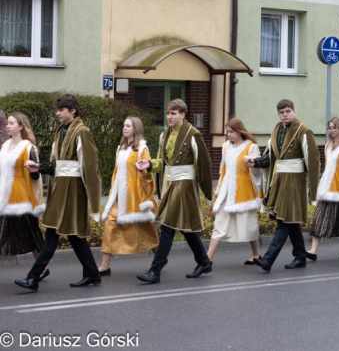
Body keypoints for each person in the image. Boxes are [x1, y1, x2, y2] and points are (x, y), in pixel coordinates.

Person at [16, 95, 102, 291]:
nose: (57, 113)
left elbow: (89, 168)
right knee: (73, 235)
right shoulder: (61, 131)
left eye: (61, 110)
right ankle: (92, 273)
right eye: (58, 109)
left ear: (73, 111)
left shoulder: (82, 132)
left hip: (73, 191)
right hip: (61, 189)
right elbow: (58, 165)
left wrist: (94, 202)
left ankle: (33, 277)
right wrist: (40, 167)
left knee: (54, 234)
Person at [135, 99, 213, 284]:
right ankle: (204, 262)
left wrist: (206, 192)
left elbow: (204, 164)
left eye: (174, 113)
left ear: (183, 115)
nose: (169, 117)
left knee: (168, 225)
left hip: (185, 186)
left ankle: (155, 270)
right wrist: (149, 164)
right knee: (185, 228)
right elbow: (163, 162)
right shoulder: (165, 135)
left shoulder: (193, 134)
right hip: (171, 184)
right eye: (168, 113)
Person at [244, 99, 320, 272]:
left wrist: (311, 189)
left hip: (294, 181)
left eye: (288, 111)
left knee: (284, 220)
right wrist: (254, 161)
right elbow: (270, 157)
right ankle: (300, 256)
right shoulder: (276, 130)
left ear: (293, 111)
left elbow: (313, 162)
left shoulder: (304, 131)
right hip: (278, 180)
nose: (285, 115)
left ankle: (268, 259)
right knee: (290, 220)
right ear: (278, 114)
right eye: (281, 112)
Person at [98, 117, 158, 275]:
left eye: (128, 126)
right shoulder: (121, 148)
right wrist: (113, 192)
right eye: (123, 125)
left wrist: (143, 170)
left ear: (135, 129)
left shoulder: (142, 149)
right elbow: (116, 173)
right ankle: (105, 266)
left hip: (135, 197)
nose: (124, 128)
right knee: (110, 224)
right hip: (119, 195)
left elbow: (147, 174)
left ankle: (159, 260)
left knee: (146, 229)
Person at [209, 118, 262, 265]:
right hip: (227, 190)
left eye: (231, 132)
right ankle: (208, 259)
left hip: (243, 191)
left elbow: (258, 170)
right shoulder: (226, 146)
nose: (229, 135)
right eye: (227, 132)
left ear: (239, 131)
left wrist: (252, 163)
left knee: (248, 224)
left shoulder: (251, 147)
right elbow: (223, 170)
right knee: (219, 222)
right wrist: (219, 189)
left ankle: (256, 254)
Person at [0, 113, 46, 275]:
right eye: (8, 123)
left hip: (21, 198)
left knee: (31, 235)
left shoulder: (28, 148)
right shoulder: (4, 146)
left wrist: (35, 202)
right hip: (4, 196)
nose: (8, 126)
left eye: (12, 123)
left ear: (21, 126)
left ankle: (42, 268)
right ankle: (42, 268)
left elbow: (35, 176)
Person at [307, 117, 339, 260]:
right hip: (326, 187)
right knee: (318, 217)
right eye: (329, 128)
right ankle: (313, 250)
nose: (331, 130)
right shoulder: (328, 144)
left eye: (334, 128)